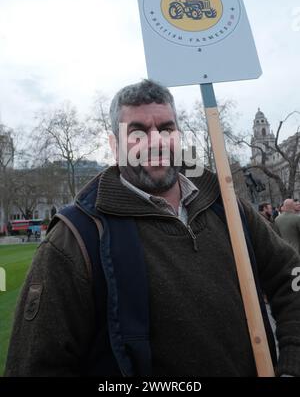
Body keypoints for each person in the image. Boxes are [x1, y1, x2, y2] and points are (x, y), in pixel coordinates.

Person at [4, 80, 300, 377]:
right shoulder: (75, 237)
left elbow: (291, 275)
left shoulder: (225, 205)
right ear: (113, 144)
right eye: (137, 132)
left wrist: (291, 365)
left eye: (166, 129)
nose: (155, 141)